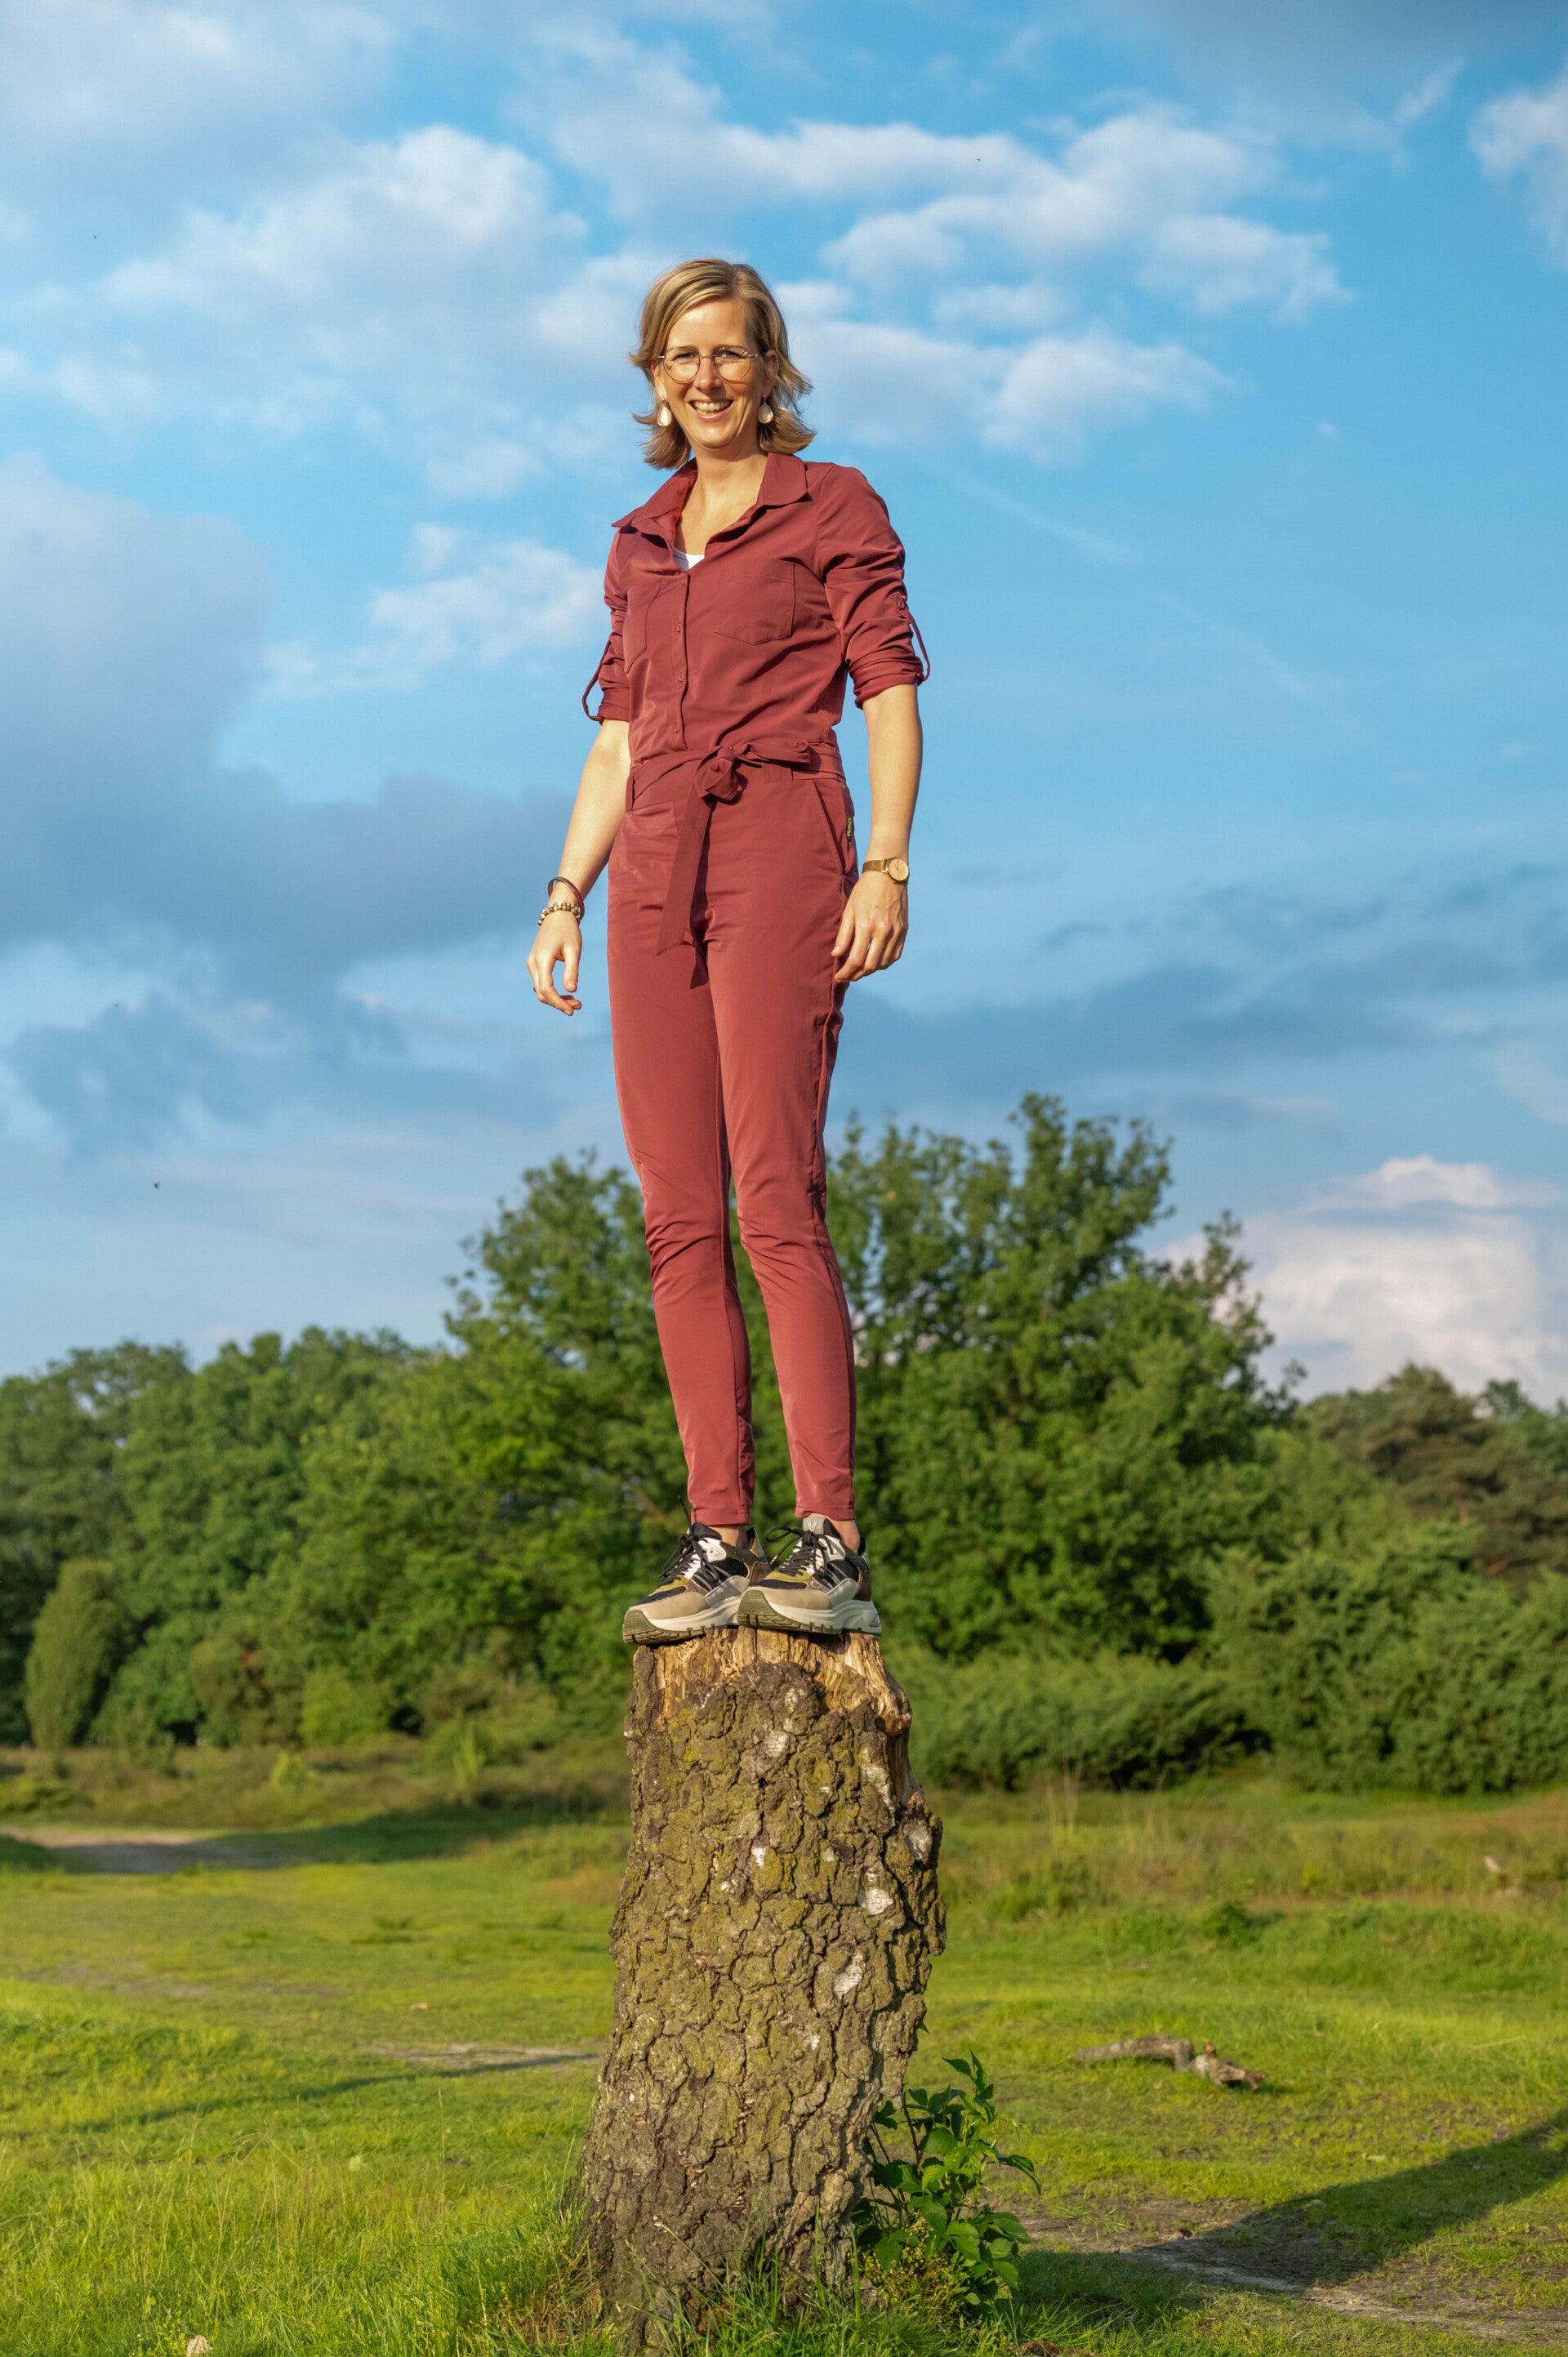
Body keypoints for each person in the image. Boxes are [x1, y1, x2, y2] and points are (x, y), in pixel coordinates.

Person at [528, 257, 925, 1648]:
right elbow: (618, 741)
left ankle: (831, 1537)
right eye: (679, 356)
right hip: (651, 874)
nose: (705, 377)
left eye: (729, 353)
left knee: (774, 1196)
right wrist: (566, 892)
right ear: (654, 377)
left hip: (782, 846)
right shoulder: (640, 540)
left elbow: (888, 691)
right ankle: (717, 1538)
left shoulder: (834, 503)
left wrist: (886, 863)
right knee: (678, 1214)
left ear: (770, 370)